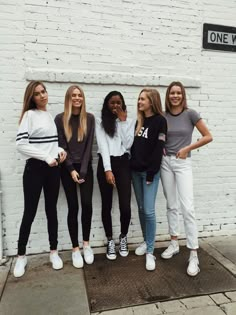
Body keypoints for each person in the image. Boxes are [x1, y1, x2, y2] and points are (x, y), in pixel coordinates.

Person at [14, 81, 67, 278]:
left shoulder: (48, 115)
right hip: (35, 170)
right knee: (30, 212)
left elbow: (50, 144)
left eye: (43, 91)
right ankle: (21, 256)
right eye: (37, 94)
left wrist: (60, 151)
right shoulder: (29, 115)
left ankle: (53, 252)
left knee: (51, 210)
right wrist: (46, 157)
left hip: (53, 170)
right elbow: (21, 144)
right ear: (32, 98)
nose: (42, 95)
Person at [160, 81, 213, 276]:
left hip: (183, 163)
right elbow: (160, 137)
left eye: (178, 93)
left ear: (182, 95)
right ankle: (174, 243)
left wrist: (187, 149)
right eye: (172, 93)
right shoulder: (163, 116)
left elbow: (208, 136)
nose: (175, 96)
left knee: (187, 208)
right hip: (165, 162)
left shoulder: (190, 114)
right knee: (171, 205)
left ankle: (193, 254)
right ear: (168, 96)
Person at [55, 85, 95, 268]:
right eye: (74, 95)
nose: (77, 98)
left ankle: (86, 244)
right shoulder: (60, 119)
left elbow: (88, 148)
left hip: (85, 167)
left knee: (87, 204)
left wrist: (84, 170)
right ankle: (75, 248)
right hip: (66, 168)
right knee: (73, 207)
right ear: (68, 99)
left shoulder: (90, 118)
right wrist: (71, 169)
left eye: (80, 95)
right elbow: (62, 145)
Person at [130, 88, 167, 271]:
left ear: (152, 101)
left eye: (142, 99)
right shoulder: (139, 121)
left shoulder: (160, 121)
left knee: (150, 211)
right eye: (139, 99)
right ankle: (146, 241)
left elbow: (158, 148)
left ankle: (150, 251)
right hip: (135, 172)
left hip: (149, 173)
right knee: (142, 209)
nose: (139, 102)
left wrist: (151, 173)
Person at [95, 91, 135, 260]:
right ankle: (110, 240)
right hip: (106, 164)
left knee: (125, 205)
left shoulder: (130, 121)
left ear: (123, 104)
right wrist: (107, 169)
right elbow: (103, 146)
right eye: (112, 103)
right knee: (107, 205)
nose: (115, 106)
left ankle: (123, 237)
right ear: (107, 104)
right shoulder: (100, 122)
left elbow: (128, 145)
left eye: (118, 103)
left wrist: (124, 122)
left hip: (124, 164)